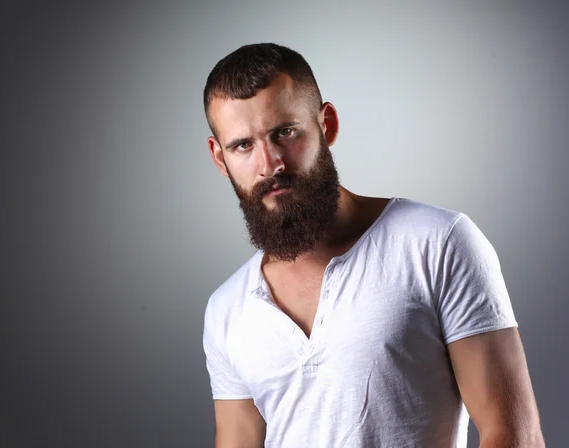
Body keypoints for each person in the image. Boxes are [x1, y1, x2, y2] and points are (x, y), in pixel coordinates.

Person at [201, 43, 544, 448]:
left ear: (326, 124)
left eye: (285, 132)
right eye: (243, 145)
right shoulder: (226, 310)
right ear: (220, 159)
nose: (270, 163)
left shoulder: (437, 243)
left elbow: (515, 434)